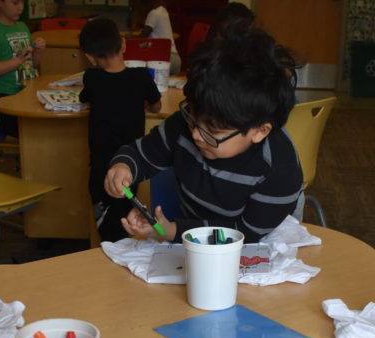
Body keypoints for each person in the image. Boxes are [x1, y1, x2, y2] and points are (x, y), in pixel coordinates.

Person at [104, 28, 303, 244]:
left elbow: (245, 235)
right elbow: (141, 154)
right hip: (193, 237)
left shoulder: (279, 167)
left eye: (213, 132)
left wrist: (172, 231)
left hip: (258, 245)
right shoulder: (184, 126)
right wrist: (123, 168)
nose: (196, 135)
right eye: (193, 119)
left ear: (259, 131)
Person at [78, 18, 163, 242]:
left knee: (106, 223)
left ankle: (109, 252)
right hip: (131, 165)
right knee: (127, 215)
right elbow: (157, 106)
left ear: (90, 57)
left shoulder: (92, 78)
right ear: (123, 45)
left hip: (100, 167)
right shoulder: (141, 77)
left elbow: (85, 101)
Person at [0, 0, 46, 139]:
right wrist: (18, 60)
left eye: (22, 3)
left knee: (49, 121)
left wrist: (38, 53)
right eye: (15, 3)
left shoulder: (23, 27)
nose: (21, 8)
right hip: (5, 95)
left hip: (27, 91)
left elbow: (32, 65)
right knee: (31, 130)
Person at [137, 0, 181, 75]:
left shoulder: (153, 13)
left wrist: (128, 40)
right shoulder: (163, 11)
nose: (141, 10)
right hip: (176, 59)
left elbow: (141, 38)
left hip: (163, 61)